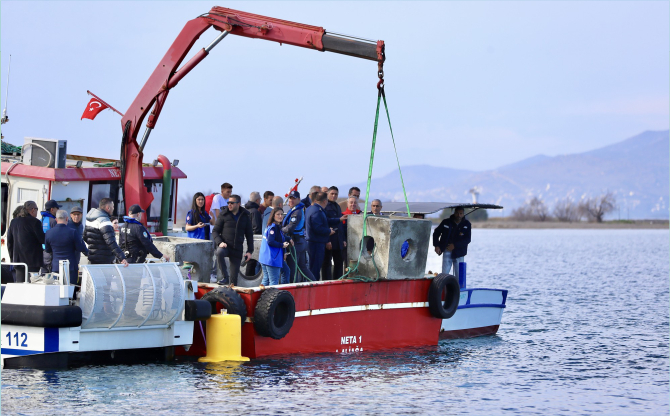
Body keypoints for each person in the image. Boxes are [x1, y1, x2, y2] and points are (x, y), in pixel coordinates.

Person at [212, 194, 254, 286]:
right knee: (219, 252)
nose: (229, 205)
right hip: (225, 246)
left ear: (238, 204)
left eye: (232, 203)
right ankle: (225, 277)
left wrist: (250, 251)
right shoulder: (223, 214)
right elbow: (215, 231)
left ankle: (232, 295)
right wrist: (220, 242)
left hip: (237, 250)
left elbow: (249, 235)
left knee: (234, 282)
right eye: (228, 203)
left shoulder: (245, 216)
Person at [44, 209, 89, 284]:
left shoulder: (49, 233)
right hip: (70, 266)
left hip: (56, 267)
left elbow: (48, 250)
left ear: (56, 219)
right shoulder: (72, 232)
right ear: (67, 218)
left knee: (57, 290)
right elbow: (79, 248)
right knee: (70, 291)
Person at [6, 201, 45, 282]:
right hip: (33, 262)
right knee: (31, 287)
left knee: (19, 286)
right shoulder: (35, 222)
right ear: (33, 210)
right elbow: (42, 239)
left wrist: (12, 259)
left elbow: (9, 242)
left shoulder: (14, 222)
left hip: (18, 261)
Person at [282, 190, 315, 283]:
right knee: (302, 267)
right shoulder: (296, 210)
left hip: (296, 243)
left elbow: (290, 228)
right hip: (300, 242)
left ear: (299, 200)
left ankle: (292, 288)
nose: (291, 201)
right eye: (290, 199)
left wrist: (280, 230)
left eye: (294, 199)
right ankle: (314, 282)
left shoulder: (297, 212)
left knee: (292, 268)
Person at [83, 198, 128, 266]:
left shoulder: (90, 219)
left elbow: (85, 237)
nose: (113, 208)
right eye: (112, 206)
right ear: (108, 208)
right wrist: (122, 257)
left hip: (92, 258)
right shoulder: (104, 220)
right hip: (104, 259)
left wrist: (95, 247)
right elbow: (111, 242)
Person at [432, 207, 471, 279]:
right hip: (447, 250)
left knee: (460, 277)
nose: (459, 215)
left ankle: (459, 289)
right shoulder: (446, 222)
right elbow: (436, 233)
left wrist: (455, 245)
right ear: (454, 213)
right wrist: (436, 245)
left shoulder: (467, 224)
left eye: (461, 213)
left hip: (460, 253)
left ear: (463, 214)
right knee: (444, 275)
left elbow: (467, 240)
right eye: (457, 213)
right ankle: (443, 288)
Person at [305, 192, 336, 280]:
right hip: (316, 243)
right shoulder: (317, 211)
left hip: (313, 242)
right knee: (315, 268)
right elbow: (317, 228)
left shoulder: (310, 209)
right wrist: (329, 231)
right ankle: (313, 287)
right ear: (325, 201)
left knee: (312, 267)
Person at [259, 208, 291, 286]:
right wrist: (282, 245)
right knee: (273, 281)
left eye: (282, 214)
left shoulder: (272, 226)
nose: (280, 216)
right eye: (278, 214)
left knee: (266, 280)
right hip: (272, 259)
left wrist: (288, 239)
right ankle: (272, 297)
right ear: (273, 216)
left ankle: (262, 297)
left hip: (265, 258)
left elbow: (279, 237)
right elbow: (270, 241)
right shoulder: (273, 228)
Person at [322, 186, 348, 280]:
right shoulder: (325, 206)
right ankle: (327, 282)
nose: (334, 196)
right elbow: (325, 222)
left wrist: (343, 239)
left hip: (338, 240)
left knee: (339, 262)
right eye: (332, 194)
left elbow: (340, 225)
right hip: (330, 239)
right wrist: (327, 241)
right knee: (327, 263)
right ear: (327, 194)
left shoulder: (337, 206)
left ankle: (338, 281)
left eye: (335, 194)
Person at [40, 199, 61, 272]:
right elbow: (57, 236)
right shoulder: (53, 221)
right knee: (50, 272)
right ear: (52, 209)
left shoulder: (41, 220)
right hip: (50, 251)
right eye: (57, 208)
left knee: (44, 271)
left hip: (42, 250)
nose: (58, 210)